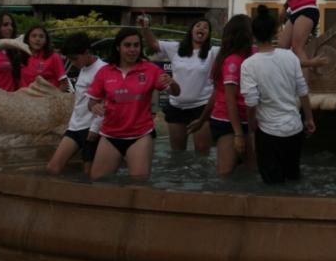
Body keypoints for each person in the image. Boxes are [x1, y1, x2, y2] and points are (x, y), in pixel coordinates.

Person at [87, 28, 180, 181]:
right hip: (110, 135)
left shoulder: (150, 69)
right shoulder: (105, 71)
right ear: (118, 47)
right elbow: (91, 101)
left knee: (138, 185)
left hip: (140, 136)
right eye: (127, 45)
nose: (132, 50)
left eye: (136, 45)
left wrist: (173, 83)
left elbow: (176, 93)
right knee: (98, 182)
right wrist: (94, 107)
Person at [240, 6, 316, 185]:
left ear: (253, 35)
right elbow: (302, 90)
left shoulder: (249, 65)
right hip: (294, 129)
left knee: (272, 184)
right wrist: (309, 119)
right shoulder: (289, 57)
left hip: (269, 132)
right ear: (275, 32)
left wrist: (252, 124)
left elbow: (251, 102)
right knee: (293, 178)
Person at [188, 15, 255, 176]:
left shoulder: (248, 55)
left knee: (251, 172)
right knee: (226, 173)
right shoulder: (233, 61)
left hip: (246, 120)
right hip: (228, 123)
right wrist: (238, 133)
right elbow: (228, 98)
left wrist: (202, 119)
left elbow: (216, 93)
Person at [140, 17, 217, 154]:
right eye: (198, 25)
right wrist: (145, 27)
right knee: (177, 154)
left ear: (209, 34)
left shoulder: (213, 52)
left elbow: (234, 50)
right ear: (191, 30)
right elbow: (153, 44)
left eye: (205, 27)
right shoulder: (175, 48)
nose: (201, 29)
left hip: (202, 108)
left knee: (202, 153)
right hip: (176, 107)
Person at [47, 32, 106, 176]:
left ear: (86, 52)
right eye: (70, 59)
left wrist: (95, 128)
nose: (73, 63)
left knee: (89, 174)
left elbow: (106, 102)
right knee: (53, 168)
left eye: (75, 59)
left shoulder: (103, 69)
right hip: (75, 127)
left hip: (91, 129)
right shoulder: (84, 68)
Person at [19, 25, 68, 91]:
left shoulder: (54, 57)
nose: (37, 39)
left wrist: (53, 98)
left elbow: (64, 84)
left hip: (47, 99)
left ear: (46, 40)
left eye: (41, 36)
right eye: (34, 36)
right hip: (25, 98)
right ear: (27, 39)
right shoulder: (21, 57)